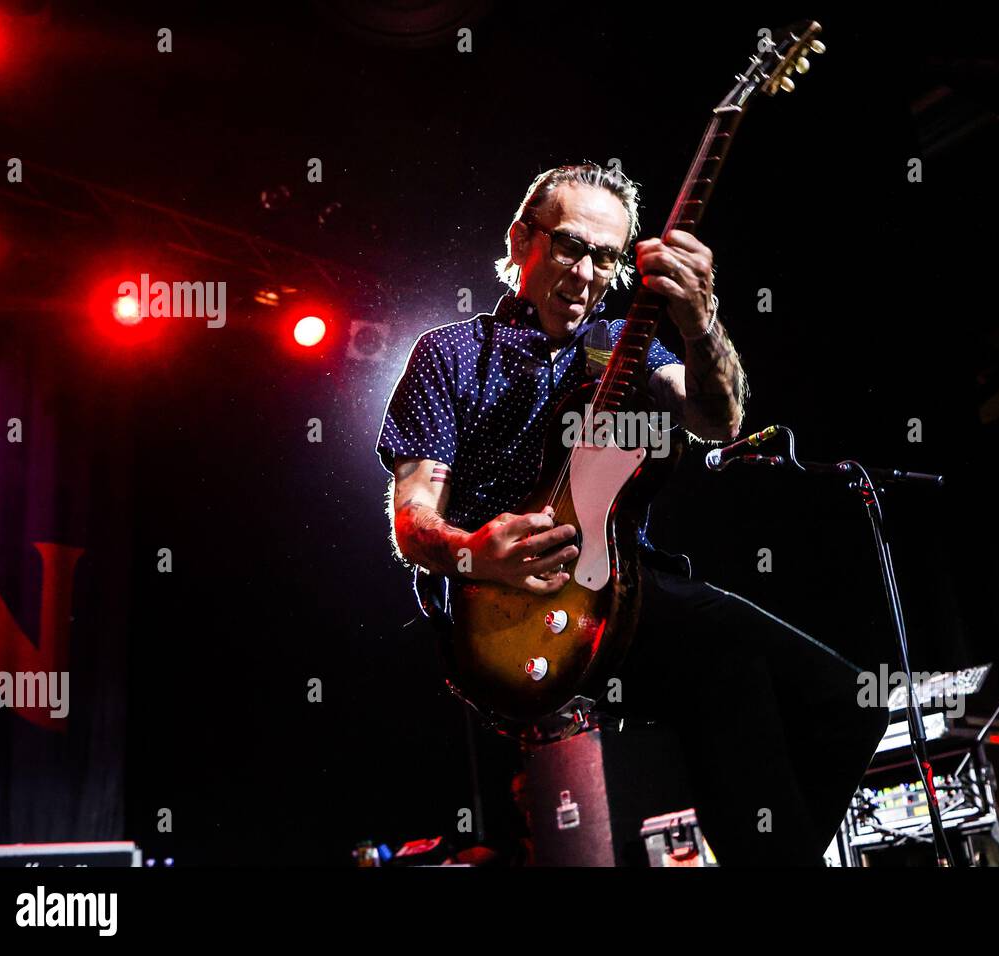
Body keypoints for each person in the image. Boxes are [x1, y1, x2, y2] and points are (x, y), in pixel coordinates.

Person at [377, 163, 888, 865]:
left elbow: (718, 418)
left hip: (626, 592)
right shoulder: (451, 355)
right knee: (734, 662)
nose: (587, 273)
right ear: (521, 239)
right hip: (498, 615)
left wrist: (702, 322)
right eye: (570, 247)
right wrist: (477, 551)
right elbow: (413, 524)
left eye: (607, 257)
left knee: (842, 700)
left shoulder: (625, 345)